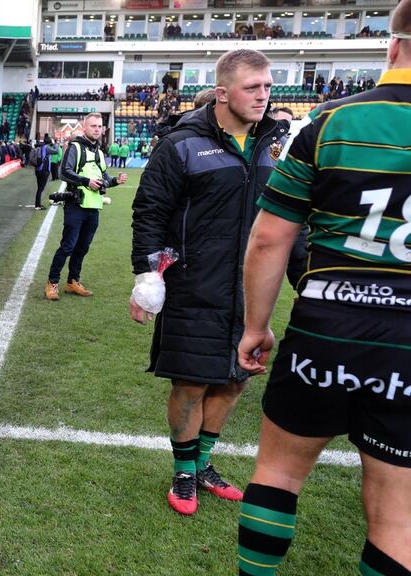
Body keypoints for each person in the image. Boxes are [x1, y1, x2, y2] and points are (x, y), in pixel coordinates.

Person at [235, 9, 411, 574]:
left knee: (279, 474)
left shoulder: (330, 121)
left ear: (391, 48)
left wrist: (256, 328)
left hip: (325, 326)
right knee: (399, 517)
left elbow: (269, 241)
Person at [129, 49, 287, 516]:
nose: (264, 96)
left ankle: (203, 464)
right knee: (192, 382)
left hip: (249, 291)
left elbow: (282, 220)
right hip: (194, 286)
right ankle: (183, 472)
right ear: (222, 92)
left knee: (236, 380)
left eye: (268, 87)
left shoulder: (271, 145)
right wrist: (148, 274)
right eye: (252, 87)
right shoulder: (181, 144)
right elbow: (150, 211)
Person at [45, 113, 127, 301]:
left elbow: (104, 180)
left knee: (82, 247)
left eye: (99, 126)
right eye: (93, 126)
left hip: (94, 206)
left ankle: (73, 281)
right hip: (76, 205)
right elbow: (64, 172)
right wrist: (86, 181)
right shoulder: (75, 147)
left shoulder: (99, 152)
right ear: (84, 127)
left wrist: (115, 180)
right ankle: (52, 282)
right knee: (68, 246)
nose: (97, 129)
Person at [28, 137, 54, 210]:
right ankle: (38, 205)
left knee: (39, 188)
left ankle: (38, 204)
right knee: (40, 189)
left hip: (38, 169)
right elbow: (56, 151)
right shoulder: (46, 148)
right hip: (44, 170)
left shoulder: (38, 147)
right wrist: (54, 144)